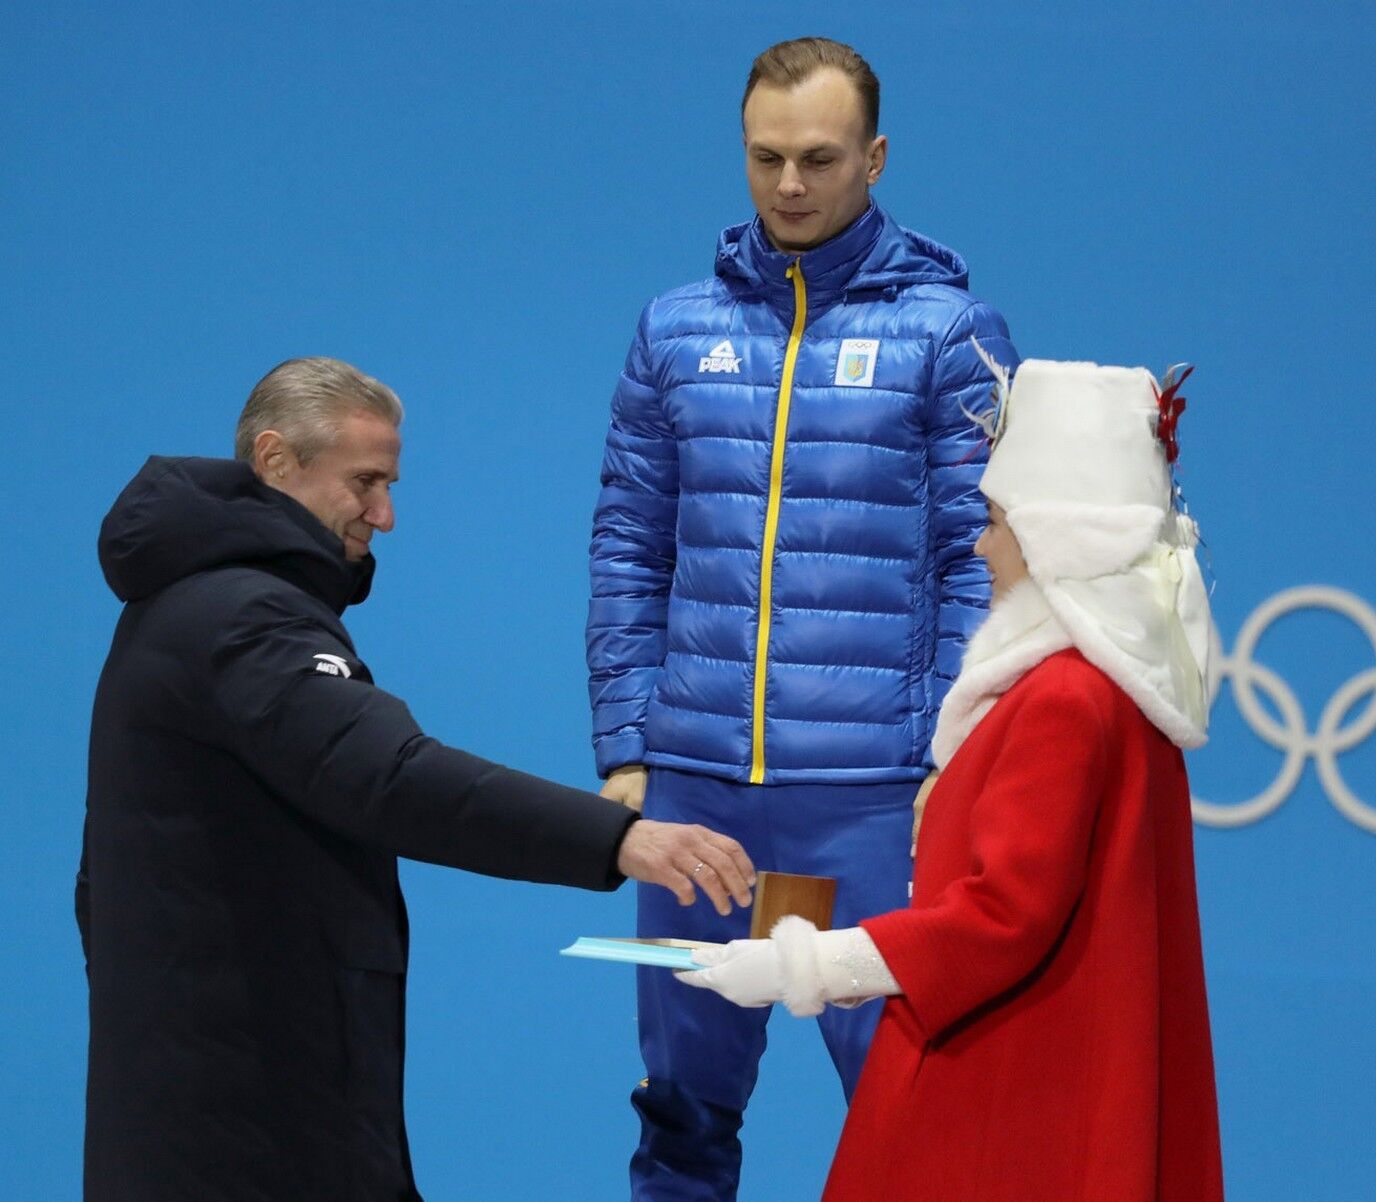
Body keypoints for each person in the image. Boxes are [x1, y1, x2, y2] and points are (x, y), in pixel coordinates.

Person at [77, 356, 756, 1202]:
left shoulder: (189, 607)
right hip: (250, 1115)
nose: (384, 515)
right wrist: (622, 838)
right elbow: (389, 778)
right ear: (277, 460)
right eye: (365, 482)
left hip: (215, 1089)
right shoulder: (244, 618)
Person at [586, 35, 1019, 1199]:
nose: (789, 184)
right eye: (766, 157)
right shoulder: (673, 329)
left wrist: (952, 752)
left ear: (874, 158)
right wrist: (630, 744)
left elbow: (978, 561)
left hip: (874, 800)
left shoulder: (949, 334)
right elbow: (630, 542)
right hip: (696, 796)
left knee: (907, 1110)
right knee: (678, 1113)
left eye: (818, 158)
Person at [680, 354, 1226, 1200]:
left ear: (1059, 538)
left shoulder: (1064, 702)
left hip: (1007, 1097)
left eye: (999, 521)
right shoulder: (1116, 695)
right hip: (1052, 1088)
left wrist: (808, 967)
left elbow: (1004, 916)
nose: (981, 544)